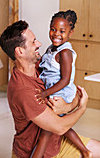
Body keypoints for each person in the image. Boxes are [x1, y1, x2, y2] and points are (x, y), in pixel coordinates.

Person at [0, 20, 100, 158]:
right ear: (20, 51)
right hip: (35, 152)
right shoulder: (23, 90)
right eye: (33, 42)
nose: (39, 44)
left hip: (57, 141)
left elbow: (72, 89)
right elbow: (60, 126)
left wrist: (67, 106)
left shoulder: (42, 65)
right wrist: (81, 108)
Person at [34, 10, 91, 157]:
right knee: (60, 126)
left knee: (46, 131)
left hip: (60, 94)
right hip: (53, 91)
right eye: (53, 29)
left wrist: (45, 93)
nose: (56, 34)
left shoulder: (65, 53)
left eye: (62, 31)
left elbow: (65, 80)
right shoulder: (52, 48)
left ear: (70, 33)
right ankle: (86, 151)